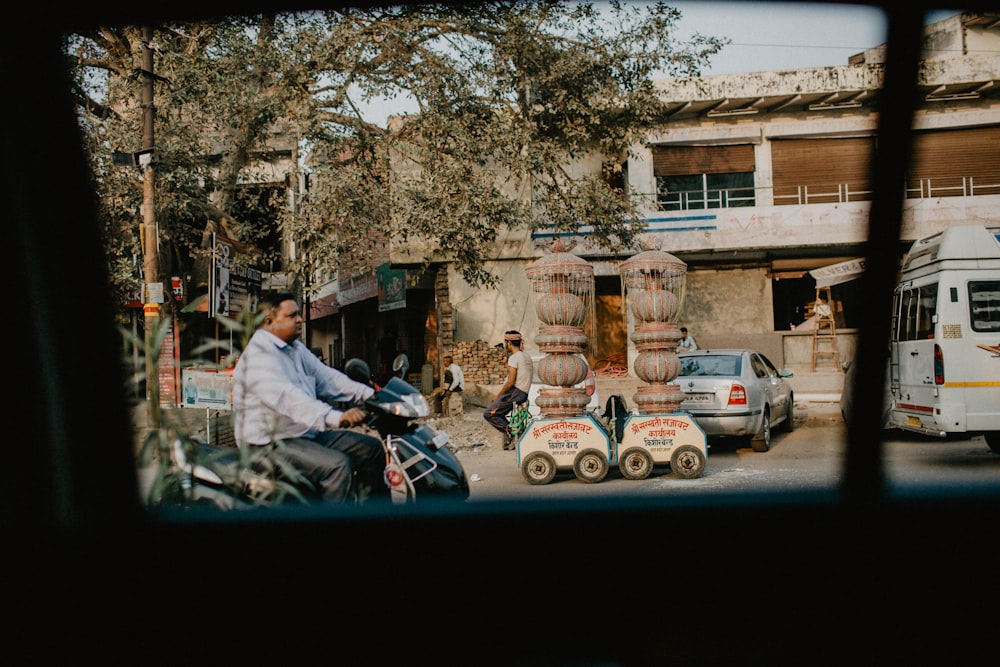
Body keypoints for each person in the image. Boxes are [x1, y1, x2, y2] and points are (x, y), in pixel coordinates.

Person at [232, 292, 388, 504]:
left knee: (371, 449)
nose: (299, 319)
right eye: (292, 315)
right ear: (269, 322)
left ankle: (374, 515)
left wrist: (376, 396)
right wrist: (337, 418)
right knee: (337, 466)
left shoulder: (295, 348)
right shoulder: (258, 357)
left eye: (299, 314)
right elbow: (290, 399)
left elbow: (328, 378)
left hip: (303, 434)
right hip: (267, 445)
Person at [484, 331, 534, 450]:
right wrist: (506, 364)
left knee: (489, 413)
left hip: (516, 392)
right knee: (497, 412)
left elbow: (511, 381)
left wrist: (498, 395)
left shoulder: (515, 357)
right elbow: (518, 373)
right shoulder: (525, 356)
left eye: (505, 342)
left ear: (509, 343)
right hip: (523, 393)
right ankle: (513, 434)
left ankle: (514, 434)